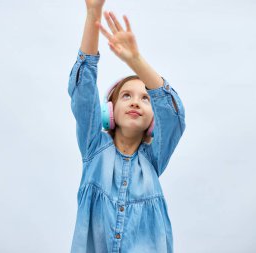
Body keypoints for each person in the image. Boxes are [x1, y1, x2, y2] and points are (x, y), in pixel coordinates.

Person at [67, 0, 186, 252]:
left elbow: (174, 116)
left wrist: (135, 61)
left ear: (153, 120)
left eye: (145, 98)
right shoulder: (93, 148)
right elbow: (83, 91)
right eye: (127, 96)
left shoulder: (154, 160)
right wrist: (93, 13)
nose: (136, 102)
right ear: (109, 111)